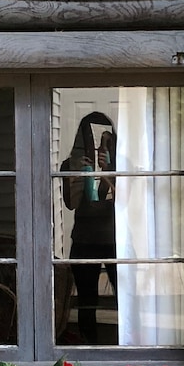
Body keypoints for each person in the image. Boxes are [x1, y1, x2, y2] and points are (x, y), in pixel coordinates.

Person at [61, 111, 117, 344]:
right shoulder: (70, 164)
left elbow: (129, 200)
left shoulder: (123, 164)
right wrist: (77, 173)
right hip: (84, 241)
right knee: (86, 300)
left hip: (115, 240)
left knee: (124, 298)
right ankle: (89, 347)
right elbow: (71, 203)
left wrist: (107, 172)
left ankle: (127, 346)